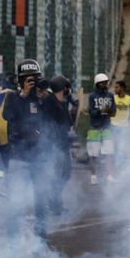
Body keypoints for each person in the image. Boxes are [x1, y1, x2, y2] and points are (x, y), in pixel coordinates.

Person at [3, 59, 67, 238]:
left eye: (36, 79)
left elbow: (62, 120)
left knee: (41, 201)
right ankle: (13, 240)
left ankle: (41, 238)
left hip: (40, 158)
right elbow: (7, 115)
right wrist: (24, 95)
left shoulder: (44, 99)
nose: (33, 83)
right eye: (29, 80)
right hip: (19, 157)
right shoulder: (14, 97)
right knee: (16, 202)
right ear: (21, 80)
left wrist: (49, 98)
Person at [48, 75, 74, 216]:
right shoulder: (51, 103)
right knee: (58, 175)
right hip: (55, 146)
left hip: (63, 145)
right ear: (62, 88)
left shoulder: (61, 103)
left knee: (65, 174)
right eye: (66, 88)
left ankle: (54, 201)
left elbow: (68, 123)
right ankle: (54, 204)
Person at [86, 73, 117, 185]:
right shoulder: (92, 97)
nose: (105, 84)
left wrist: (106, 111)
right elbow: (91, 112)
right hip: (94, 128)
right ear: (98, 84)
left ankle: (108, 175)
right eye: (103, 82)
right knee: (93, 154)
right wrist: (102, 110)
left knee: (109, 153)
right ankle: (93, 176)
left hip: (107, 128)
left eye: (106, 82)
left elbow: (113, 111)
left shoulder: (110, 96)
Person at [111, 80, 130, 162]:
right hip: (113, 126)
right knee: (113, 146)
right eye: (115, 87)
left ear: (122, 88)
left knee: (121, 147)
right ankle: (113, 164)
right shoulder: (112, 98)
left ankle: (119, 164)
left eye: (117, 87)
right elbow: (107, 111)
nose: (115, 89)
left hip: (124, 127)